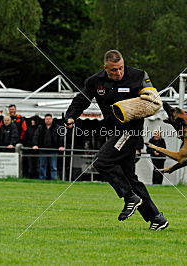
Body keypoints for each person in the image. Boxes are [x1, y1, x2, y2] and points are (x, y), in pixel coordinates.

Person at [64, 49, 168, 230]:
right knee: (129, 178)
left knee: (101, 162)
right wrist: (71, 116)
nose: (118, 73)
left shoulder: (139, 76)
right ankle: (157, 219)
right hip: (113, 132)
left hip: (130, 132)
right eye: (113, 70)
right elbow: (81, 100)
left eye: (120, 68)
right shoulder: (95, 81)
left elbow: (154, 100)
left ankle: (130, 197)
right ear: (105, 68)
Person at [33, 114, 64, 180]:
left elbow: (61, 137)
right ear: (44, 120)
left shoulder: (57, 127)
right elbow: (36, 136)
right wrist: (35, 144)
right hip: (42, 149)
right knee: (42, 166)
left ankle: (54, 179)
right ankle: (42, 179)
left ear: (52, 119)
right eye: (46, 119)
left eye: (49, 119)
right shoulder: (40, 127)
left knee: (53, 167)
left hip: (53, 149)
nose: (48, 120)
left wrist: (61, 146)